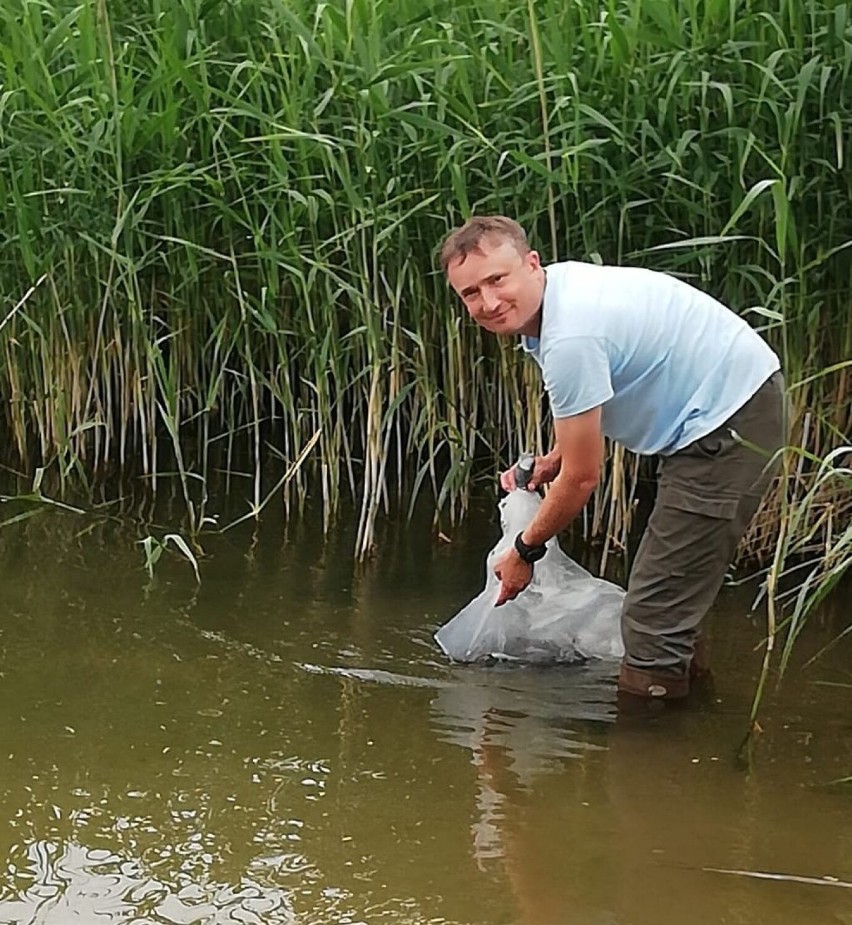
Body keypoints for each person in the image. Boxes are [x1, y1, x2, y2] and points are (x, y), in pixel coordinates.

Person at [440, 215, 786, 702]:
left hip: (728, 424)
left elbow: (583, 479)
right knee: (668, 597)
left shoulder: (569, 339)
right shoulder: (559, 298)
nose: (489, 302)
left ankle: (645, 756)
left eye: (497, 280)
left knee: (651, 619)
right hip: (723, 406)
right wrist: (554, 459)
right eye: (471, 293)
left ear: (532, 264)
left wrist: (524, 549)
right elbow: (602, 397)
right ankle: (693, 718)